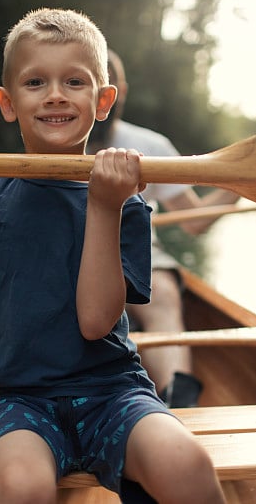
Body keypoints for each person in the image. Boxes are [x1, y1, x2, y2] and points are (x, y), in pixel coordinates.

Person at [0, 8, 226, 504]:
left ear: (103, 102)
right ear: (8, 102)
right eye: (35, 81)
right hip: (23, 397)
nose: (55, 94)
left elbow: (96, 322)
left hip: (112, 390)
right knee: (21, 486)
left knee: (186, 464)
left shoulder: (126, 204)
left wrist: (104, 204)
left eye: (74, 81)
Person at [88, 50, 240, 408]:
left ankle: (178, 397)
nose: (95, 96)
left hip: (144, 258)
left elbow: (194, 220)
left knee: (164, 296)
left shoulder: (151, 147)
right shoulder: (48, 147)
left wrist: (240, 181)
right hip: (69, 257)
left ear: (118, 91)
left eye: (102, 86)